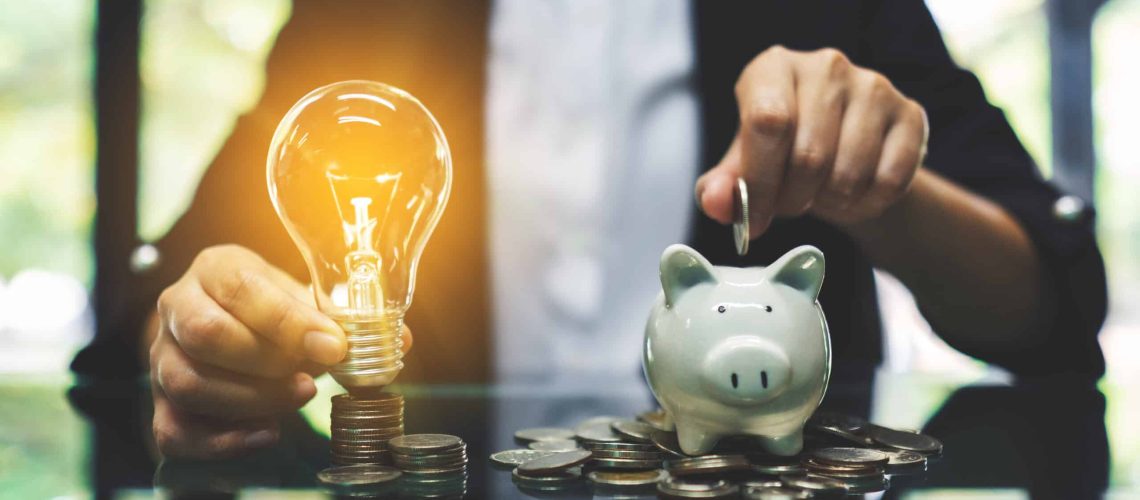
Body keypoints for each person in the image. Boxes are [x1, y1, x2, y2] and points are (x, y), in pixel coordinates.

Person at [72, 0, 1106, 459]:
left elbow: (1053, 305)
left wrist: (886, 189)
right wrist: (202, 330)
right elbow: (152, 314)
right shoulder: (369, 12)